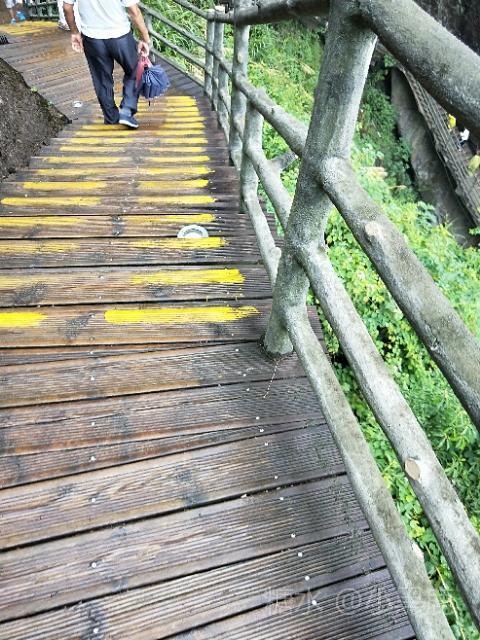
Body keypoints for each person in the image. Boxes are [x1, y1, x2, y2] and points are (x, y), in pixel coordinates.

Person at [63, 0, 150, 128]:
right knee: (135, 71)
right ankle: (127, 111)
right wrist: (145, 38)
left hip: (92, 38)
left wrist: (74, 32)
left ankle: (111, 118)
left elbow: (67, 8)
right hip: (120, 36)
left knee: (101, 79)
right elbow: (134, 11)